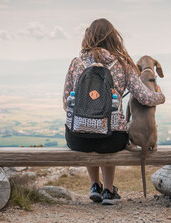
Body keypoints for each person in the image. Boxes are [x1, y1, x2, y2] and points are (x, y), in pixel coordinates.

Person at [62, 18, 165, 205]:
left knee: (86, 128)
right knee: (107, 134)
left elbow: (65, 102)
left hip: (77, 138)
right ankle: (109, 191)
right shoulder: (123, 65)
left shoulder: (76, 63)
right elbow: (145, 98)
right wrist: (161, 95)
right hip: (112, 140)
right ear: (113, 38)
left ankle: (95, 186)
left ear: (88, 37)